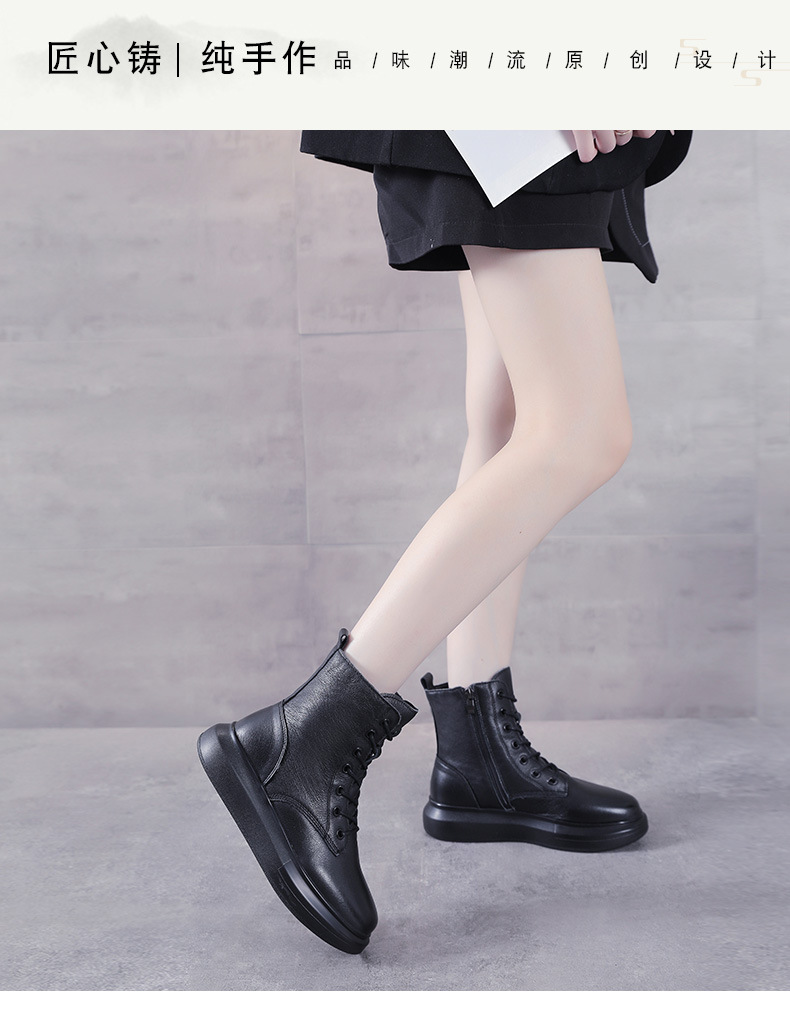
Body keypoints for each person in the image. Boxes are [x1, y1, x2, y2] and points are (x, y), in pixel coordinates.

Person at [197, 129, 694, 955]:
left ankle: (476, 760)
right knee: (580, 431)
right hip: (524, 96)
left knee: (511, 417)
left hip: (520, 100)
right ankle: (304, 739)